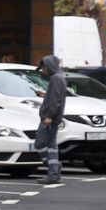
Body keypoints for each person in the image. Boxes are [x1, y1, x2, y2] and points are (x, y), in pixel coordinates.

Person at [36, 55, 66, 183]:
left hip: (50, 119)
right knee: (52, 145)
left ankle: (53, 169)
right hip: (54, 118)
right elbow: (55, 97)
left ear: (49, 66)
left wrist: (49, 117)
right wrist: (45, 94)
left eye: (44, 68)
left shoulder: (55, 79)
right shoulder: (59, 78)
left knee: (40, 143)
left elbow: (55, 101)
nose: (43, 71)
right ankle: (54, 173)